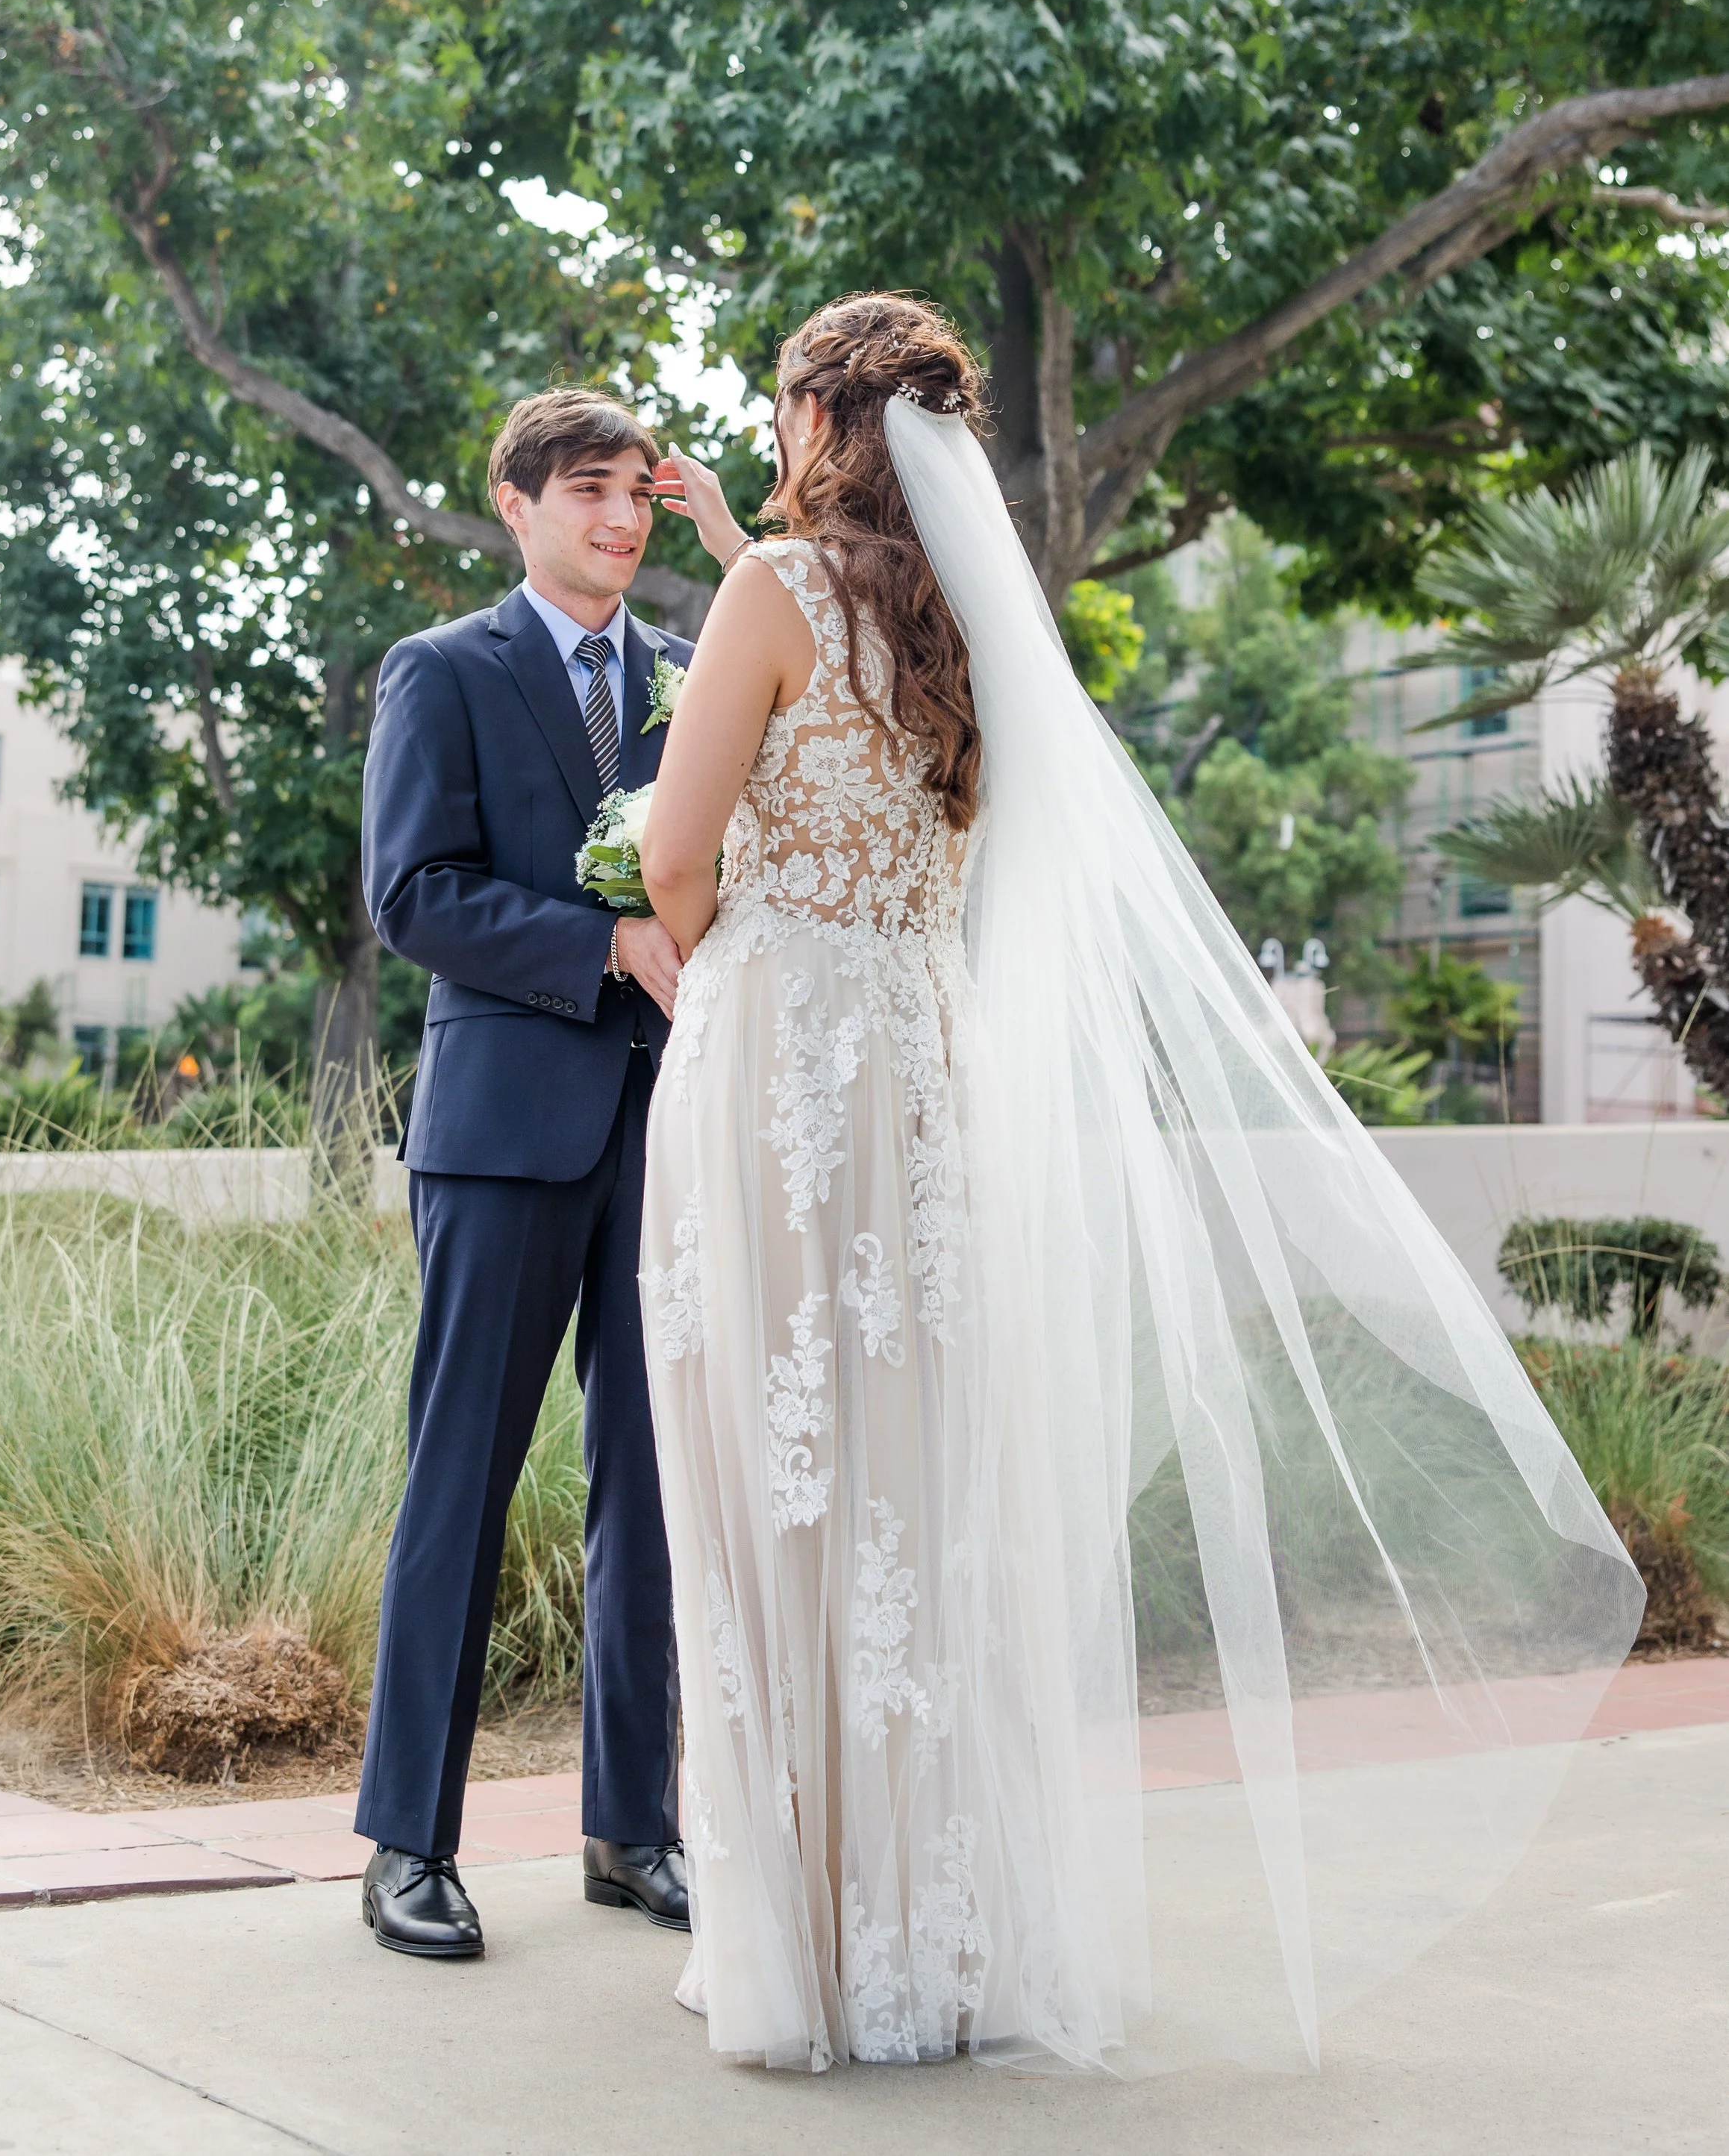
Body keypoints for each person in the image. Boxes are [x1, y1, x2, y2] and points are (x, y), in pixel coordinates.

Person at [636, 295, 1642, 2073]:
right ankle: (924, 1945)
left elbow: (670, 846)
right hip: (926, 1070)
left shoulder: (773, 597)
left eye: (786, 410)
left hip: (780, 1057)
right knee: (914, 1488)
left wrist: (716, 959)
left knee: (771, 1472)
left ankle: (796, 1947)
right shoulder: (975, 642)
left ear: (821, 419)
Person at [353, 387, 741, 1961]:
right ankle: (406, 1845)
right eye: (588, 492)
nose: (619, 520)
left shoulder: (691, 679)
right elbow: (414, 894)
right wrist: (604, 942)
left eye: (638, 495)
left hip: (669, 1128)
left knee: (650, 1488)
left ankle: (629, 1826)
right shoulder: (442, 671)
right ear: (512, 503)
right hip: (501, 1135)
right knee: (461, 1481)